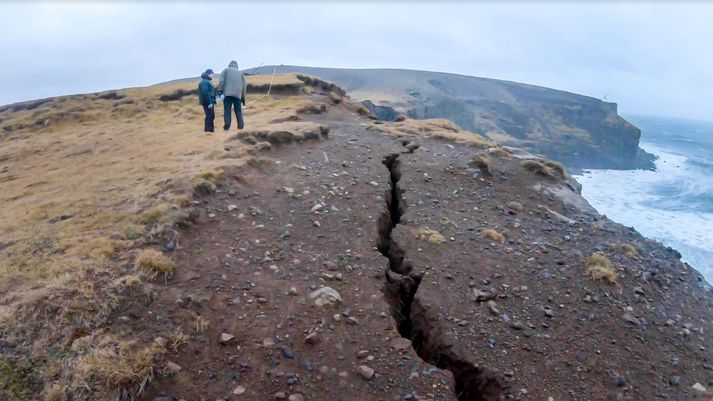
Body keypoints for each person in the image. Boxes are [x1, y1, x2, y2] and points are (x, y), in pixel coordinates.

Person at [218, 60, 246, 130]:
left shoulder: (225, 70)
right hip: (238, 95)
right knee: (238, 111)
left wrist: (220, 91)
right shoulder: (240, 73)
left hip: (227, 94)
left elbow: (221, 81)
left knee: (227, 110)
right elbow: (244, 87)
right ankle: (240, 126)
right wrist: (243, 99)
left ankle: (227, 125)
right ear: (237, 66)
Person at [198, 69, 216, 133]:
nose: (213, 75)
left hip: (210, 101)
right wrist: (209, 102)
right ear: (208, 74)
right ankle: (208, 131)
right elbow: (205, 92)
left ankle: (211, 130)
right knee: (209, 115)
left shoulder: (207, 81)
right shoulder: (204, 82)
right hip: (207, 102)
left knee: (211, 115)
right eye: (212, 74)